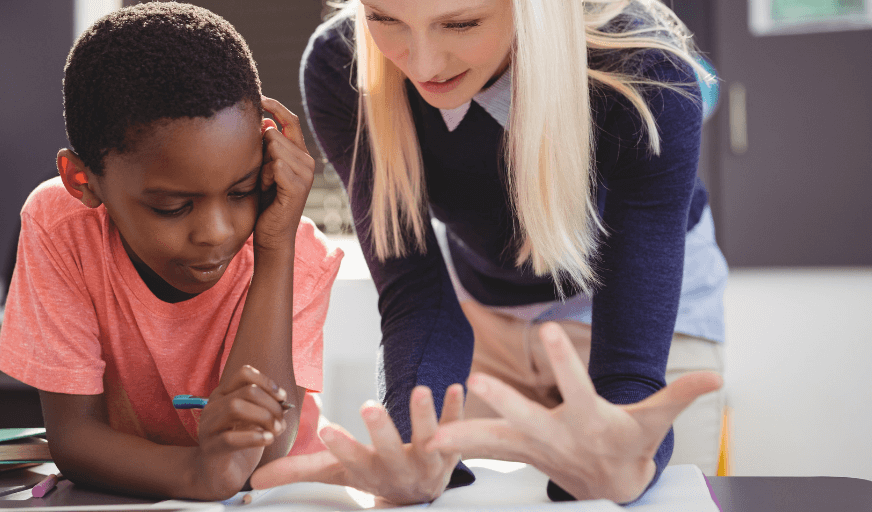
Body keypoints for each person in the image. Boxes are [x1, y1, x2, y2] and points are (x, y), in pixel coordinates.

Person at [251, 0, 726, 505]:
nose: (423, 64)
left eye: (461, 23)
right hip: (481, 313)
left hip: (637, 301)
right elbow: (414, 290)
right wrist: (412, 445)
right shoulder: (339, 64)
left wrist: (622, 449)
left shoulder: (646, 69)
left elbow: (629, 368)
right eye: (385, 19)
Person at [0, 3, 342, 500]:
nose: (216, 233)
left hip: (280, 497)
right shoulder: (60, 226)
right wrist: (200, 472)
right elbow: (73, 438)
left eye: (241, 191)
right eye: (173, 206)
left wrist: (275, 246)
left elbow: (262, 455)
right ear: (82, 180)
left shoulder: (294, 246)